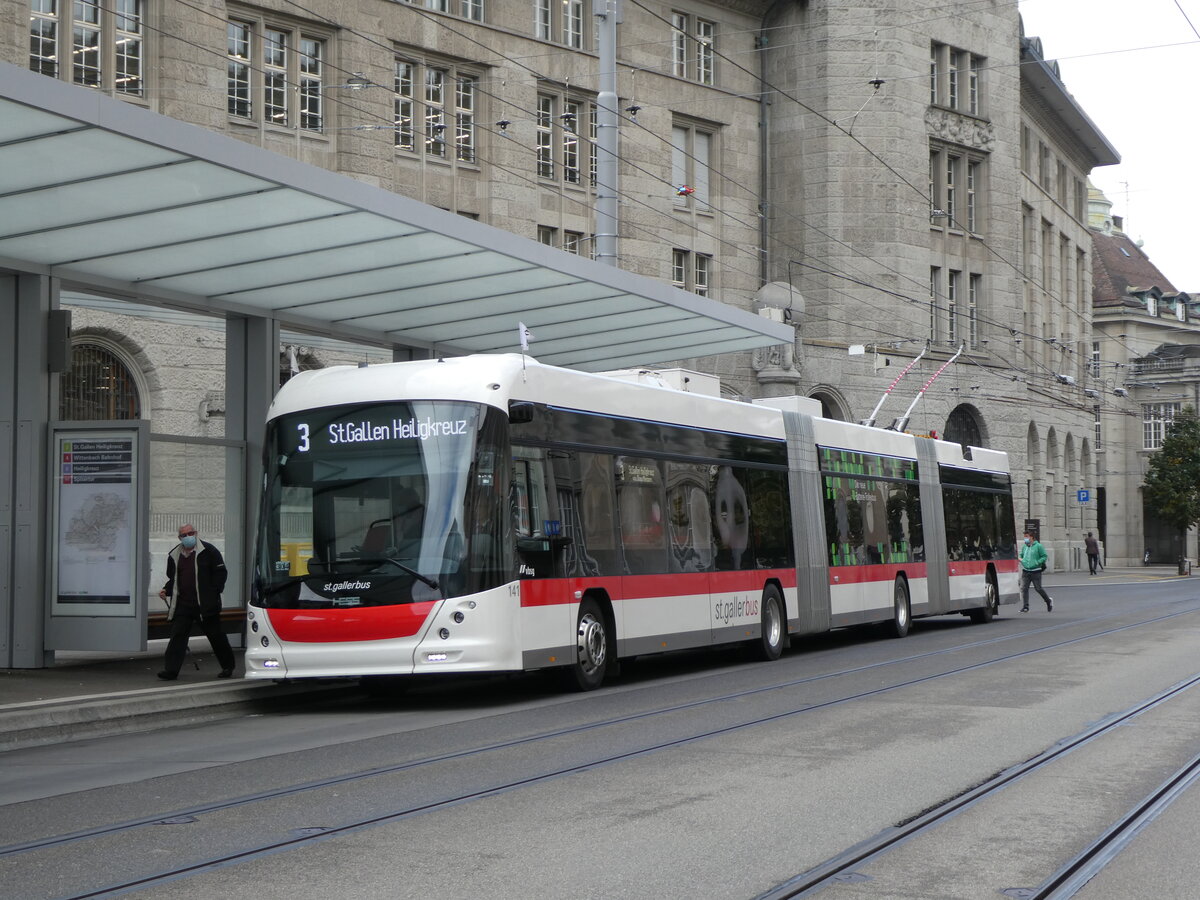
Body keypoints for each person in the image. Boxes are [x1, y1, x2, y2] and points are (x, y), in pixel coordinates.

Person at [157, 524, 235, 680]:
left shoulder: (209, 551)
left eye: (190, 533)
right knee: (177, 636)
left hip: (205, 605)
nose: (187, 537)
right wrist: (167, 589)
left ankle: (228, 666)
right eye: (184, 535)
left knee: (215, 635)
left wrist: (213, 594)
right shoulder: (175, 555)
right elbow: (174, 578)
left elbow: (221, 573)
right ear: (179, 538)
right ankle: (171, 670)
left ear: (196, 533)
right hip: (183, 604)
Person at [1018, 530, 1053, 612]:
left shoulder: (1038, 546)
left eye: (1027, 536)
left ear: (1032, 537)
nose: (1025, 538)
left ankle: (1048, 601)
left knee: (1038, 588)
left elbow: (1044, 556)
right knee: (1024, 588)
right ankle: (1025, 606)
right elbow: (1021, 554)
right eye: (1025, 536)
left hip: (1036, 571)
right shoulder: (1025, 547)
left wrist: (1037, 562)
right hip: (1026, 571)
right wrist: (1021, 559)